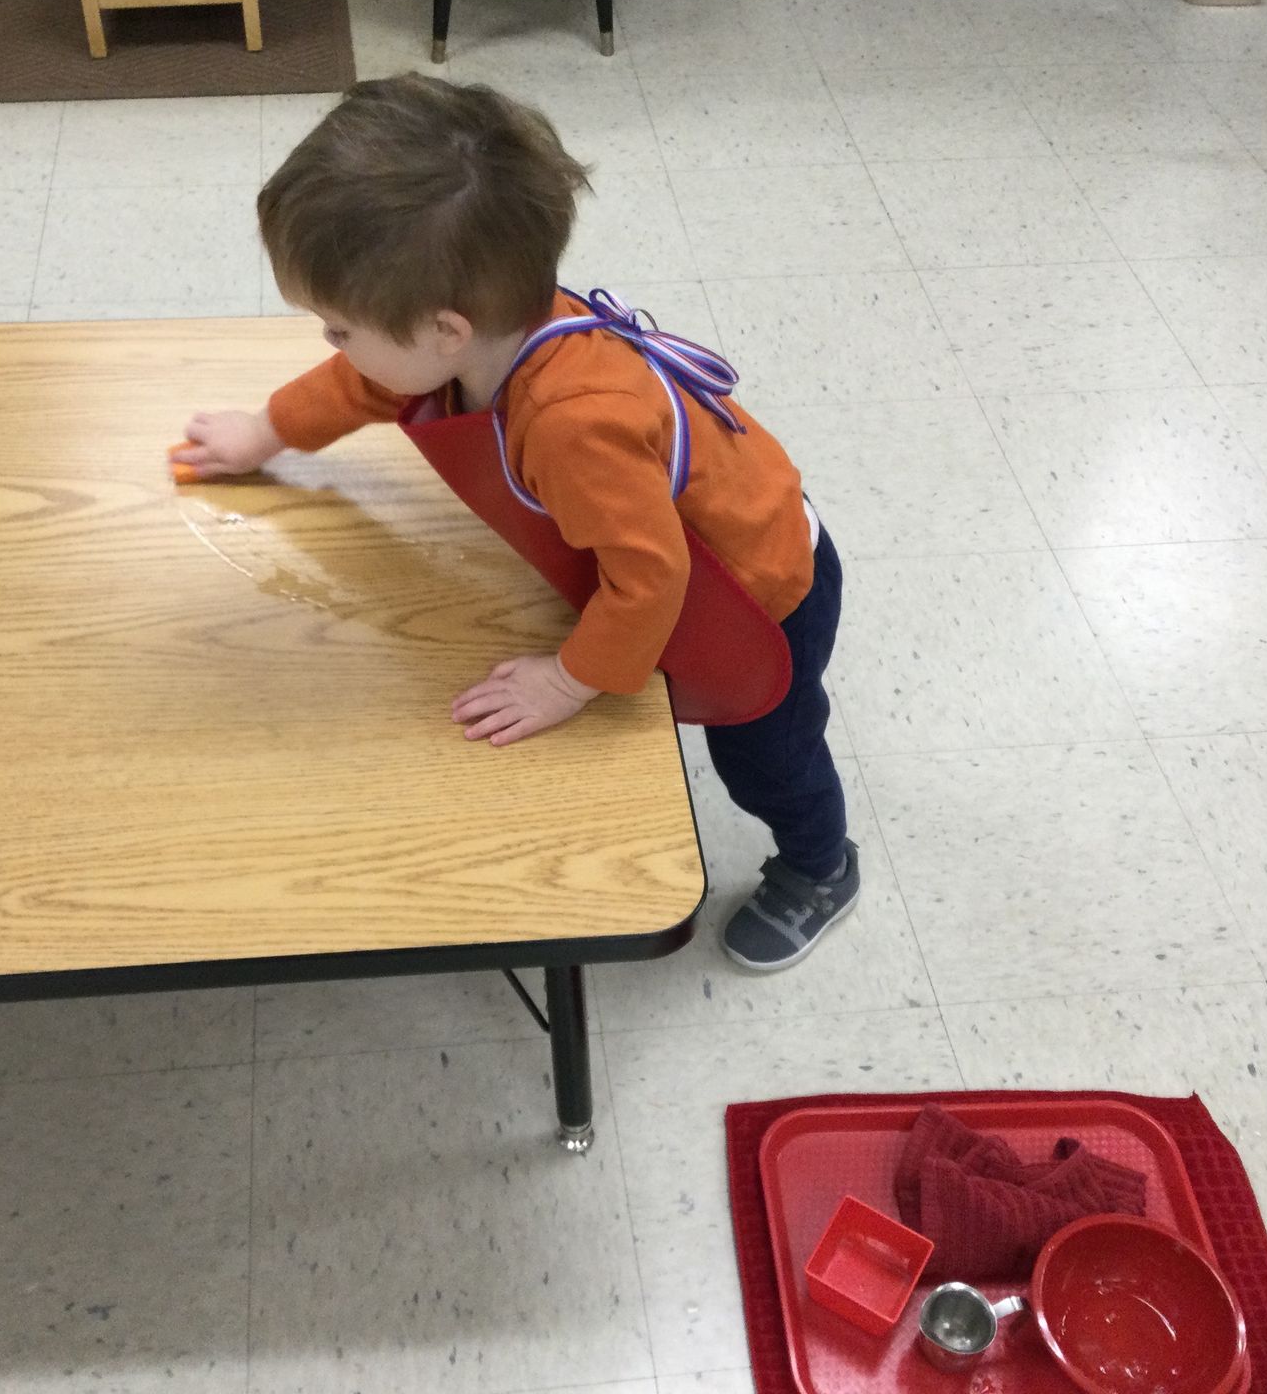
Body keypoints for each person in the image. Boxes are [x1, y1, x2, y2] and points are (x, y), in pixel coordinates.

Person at [172, 74, 855, 973]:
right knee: (754, 716)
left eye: (337, 327)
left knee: (766, 754)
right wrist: (266, 432)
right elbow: (370, 381)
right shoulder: (484, 330)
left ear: (446, 330)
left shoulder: (574, 425)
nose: (329, 345)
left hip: (763, 598)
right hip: (683, 557)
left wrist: (568, 683)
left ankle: (820, 865)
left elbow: (652, 580)